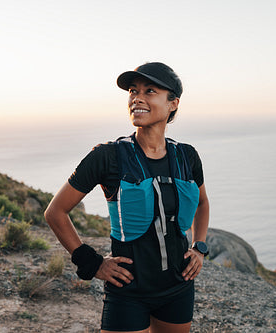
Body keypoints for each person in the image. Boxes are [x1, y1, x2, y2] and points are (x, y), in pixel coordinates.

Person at [44, 62, 210, 333]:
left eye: (150, 91)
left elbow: (202, 203)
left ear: (173, 104)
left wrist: (200, 247)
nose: (137, 98)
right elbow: (55, 212)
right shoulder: (107, 156)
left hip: (178, 289)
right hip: (128, 292)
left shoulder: (187, 156)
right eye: (133, 91)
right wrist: (92, 262)